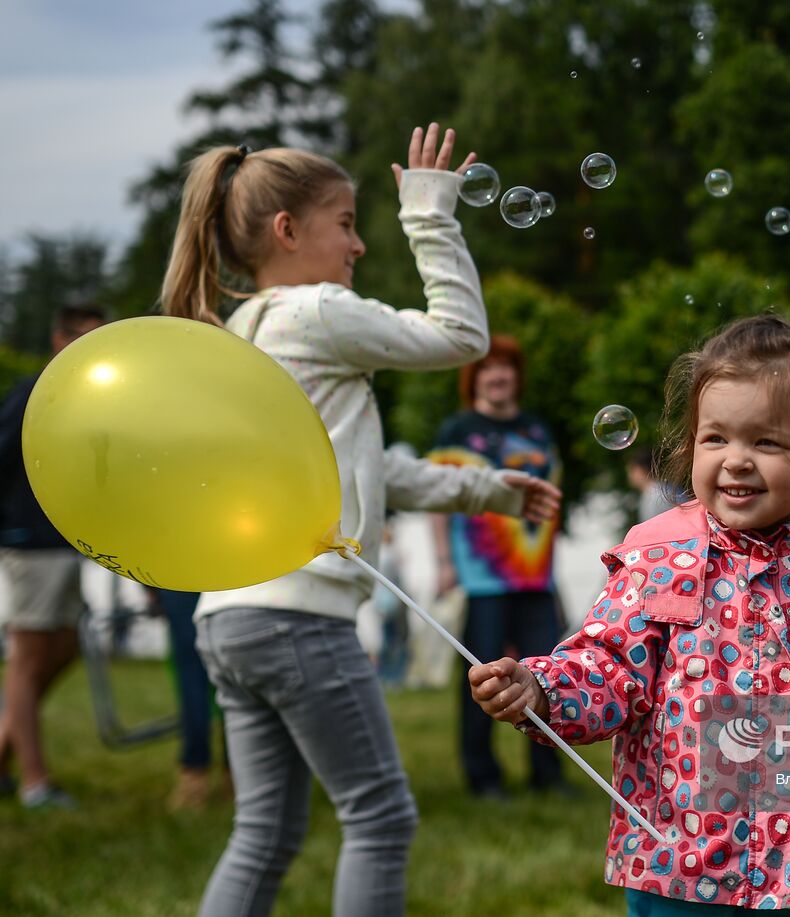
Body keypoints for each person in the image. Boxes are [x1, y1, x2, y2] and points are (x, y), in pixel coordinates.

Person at [159, 124, 561, 917]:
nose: (358, 246)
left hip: (232, 617)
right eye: (345, 223)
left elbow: (362, 468)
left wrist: (487, 488)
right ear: (288, 232)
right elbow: (461, 337)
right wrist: (430, 214)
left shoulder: (242, 330)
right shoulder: (316, 312)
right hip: (299, 619)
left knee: (265, 832)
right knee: (380, 816)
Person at [469, 315, 790, 913]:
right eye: (716, 439)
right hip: (678, 868)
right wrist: (544, 689)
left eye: (766, 442)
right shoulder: (662, 560)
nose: (736, 460)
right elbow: (607, 665)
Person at [428, 335, 568, 798]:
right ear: (474, 378)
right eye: (487, 368)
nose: (497, 375)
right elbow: (437, 499)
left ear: (516, 376)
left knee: (548, 678)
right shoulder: (456, 430)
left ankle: (547, 775)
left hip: (535, 576)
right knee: (482, 677)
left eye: (505, 367)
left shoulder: (536, 429)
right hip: (482, 577)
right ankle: (482, 776)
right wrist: (445, 562)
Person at [0, 304, 105, 809]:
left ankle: (3, 750)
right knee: (26, 658)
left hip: (64, 544)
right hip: (29, 544)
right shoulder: (30, 395)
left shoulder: (86, 400)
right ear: (60, 340)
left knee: (64, 648)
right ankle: (35, 783)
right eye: (88, 337)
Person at [152, 587, 224, 810]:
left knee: (192, 672)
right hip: (224, 570)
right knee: (229, 670)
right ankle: (232, 774)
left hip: (180, 572)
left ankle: (195, 775)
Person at [627, 447, 675, 522]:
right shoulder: (667, 489)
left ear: (640, 470)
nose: (629, 475)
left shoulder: (655, 495)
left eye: (632, 470)